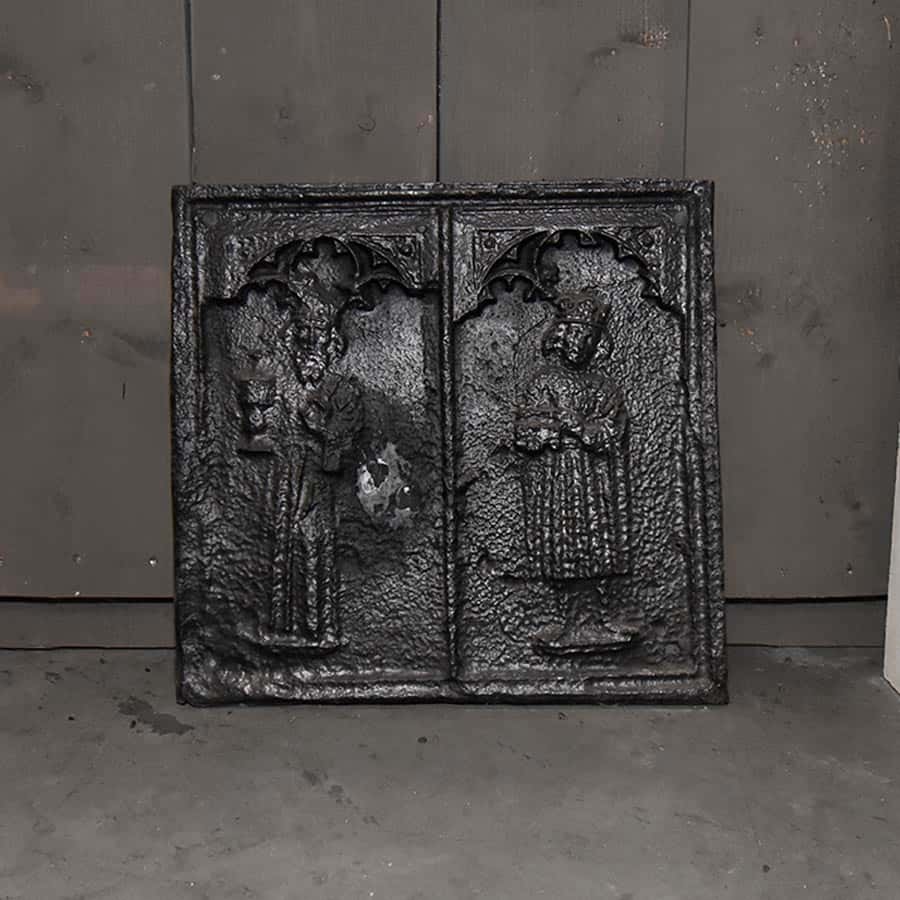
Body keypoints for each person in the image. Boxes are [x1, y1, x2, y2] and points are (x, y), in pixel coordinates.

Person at [513, 292, 636, 654]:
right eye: (576, 334)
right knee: (564, 544)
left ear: (597, 342)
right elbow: (527, 430)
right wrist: (555, 430)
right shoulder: (543, 381)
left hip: (596, 480)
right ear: (561, 335)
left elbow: (611, 431)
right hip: (558, 478)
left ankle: (592, 621)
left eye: (589, 337)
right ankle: (573, 622)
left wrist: (578, 425)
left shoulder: (604, 387)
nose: (580, 344)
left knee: (596, 543)